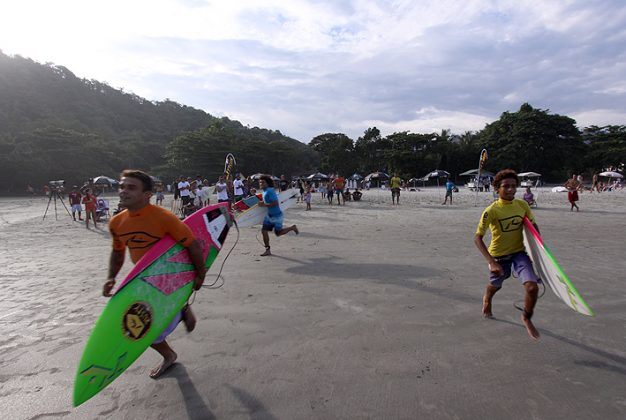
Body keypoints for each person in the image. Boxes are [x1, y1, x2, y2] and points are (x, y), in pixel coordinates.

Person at [104, 170, 206, 378]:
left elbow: (192, 245)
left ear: (147, 194)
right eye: (122, 187)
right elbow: (117, 252)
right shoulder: (117, 222)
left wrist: (199, 275)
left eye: (131, 187)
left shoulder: (164, 218)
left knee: (146, 329)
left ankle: (178, 314)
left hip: (169, 278)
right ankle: (178, 322)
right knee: (136, 325)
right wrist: (111, 277)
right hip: (141, 278)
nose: (123, 191)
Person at [474, 169, 541, 340]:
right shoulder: (492, 210)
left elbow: (533, 228)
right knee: (496, 285)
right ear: (497, 188)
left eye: (513, 186)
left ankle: (526, 317)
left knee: (533, 288)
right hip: (499, 256)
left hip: (520, 253)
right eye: (506, 186)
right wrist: (491, 262)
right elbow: (477, 238)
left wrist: (539, 251)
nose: (510, 189)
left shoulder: (522, 205)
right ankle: (487, 298)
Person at [258, 175, 299, 256]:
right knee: (263, 231)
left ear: (267, 183)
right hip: (269, 215)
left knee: (278, 233)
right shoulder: (264, 192)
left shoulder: (270, 191)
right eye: (260, 182)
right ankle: (267, 250)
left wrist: (264, 204)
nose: (261, 183)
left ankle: (292, 227)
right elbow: (266, 201)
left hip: (277, 215)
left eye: (263, 182)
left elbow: (275, 203)